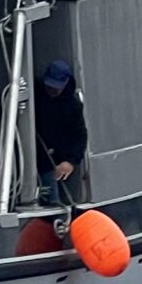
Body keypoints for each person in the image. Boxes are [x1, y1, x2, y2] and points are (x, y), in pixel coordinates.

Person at [33, 57, 89, 204]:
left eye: (56, 87)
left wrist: (70, 161)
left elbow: (80, 135)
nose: (52, 90)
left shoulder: (73, 105)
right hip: (31, 154)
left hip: (52, 162)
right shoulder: (34, 92)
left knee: (52, 199)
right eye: (49, 86)